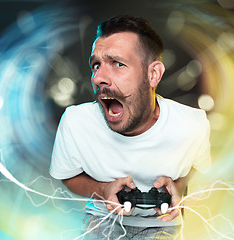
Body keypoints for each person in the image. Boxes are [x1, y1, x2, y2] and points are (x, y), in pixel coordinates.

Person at [50, 15, 211, 239]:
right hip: (102, 222)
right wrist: (102, 190)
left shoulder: (192, 123)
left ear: (153, 74)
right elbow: (67, 175)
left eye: (118, 64)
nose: (98, 78)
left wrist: (178, 185)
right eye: (96, 65)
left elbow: (198, 168)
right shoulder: (75, 121)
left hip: (162, 226)